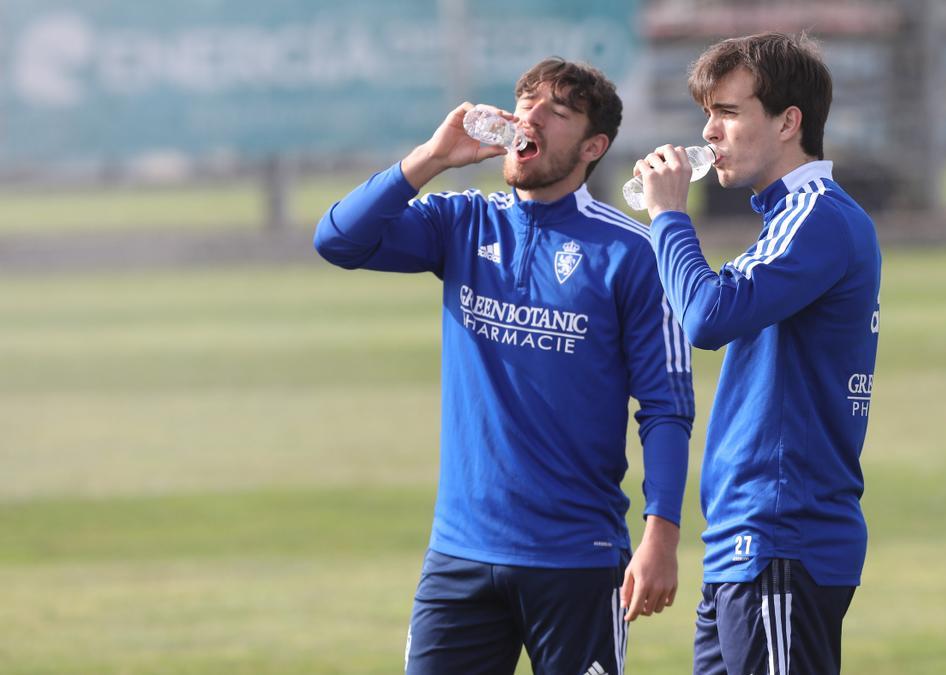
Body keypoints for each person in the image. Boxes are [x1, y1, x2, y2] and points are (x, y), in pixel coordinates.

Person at [314, 58, 694, 675]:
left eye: (557, 111)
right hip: (459, 556)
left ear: (593, 146)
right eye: (525, 101)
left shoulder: (634, 253)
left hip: (577, 559)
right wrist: (430, 159)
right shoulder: (463, 221)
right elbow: (338, 241)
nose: (530, 116)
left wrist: (663, 535)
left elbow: (667, 407)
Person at [635, 33, 881, 674]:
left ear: (788, 122)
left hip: (781, 536)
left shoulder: (818, 216)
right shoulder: (786, 223)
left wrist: (667, 217)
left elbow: (708, 316)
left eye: (729, 112)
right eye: (707, 114)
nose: (710, 132)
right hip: (749, 544)